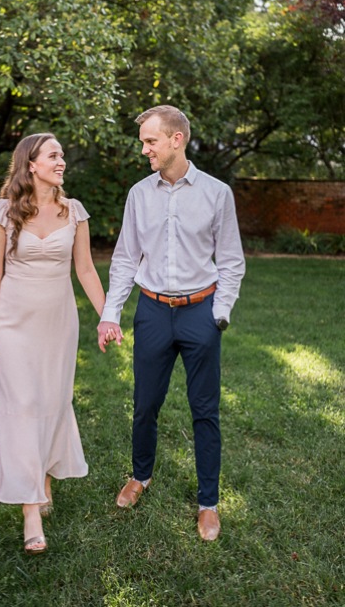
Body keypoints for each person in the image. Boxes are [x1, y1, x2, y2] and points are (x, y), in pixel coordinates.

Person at [96, 105, 245, 542]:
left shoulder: (217, 193)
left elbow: (232, 262)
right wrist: (111, 313)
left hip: (202, 311)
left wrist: (220, 312)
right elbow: (125, 259)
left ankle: (208, 503)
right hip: (154, 312)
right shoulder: (139, 194)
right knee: (145, 404)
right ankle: (140, 476)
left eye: (150, 141)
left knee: (205, 411)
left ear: (176, 139)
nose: (144, 150)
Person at [0, 133, 114, 554]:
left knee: (52, 403)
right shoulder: (4, 212)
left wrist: (107, 315)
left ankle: (43, 481)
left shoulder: (74, 211)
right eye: (53, 156)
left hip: (59, 323)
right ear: (31, 164)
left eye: (62, 156)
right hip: (13, 321)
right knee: (21, 407)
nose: (62, 162)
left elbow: (87, 270)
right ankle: (31, 509)